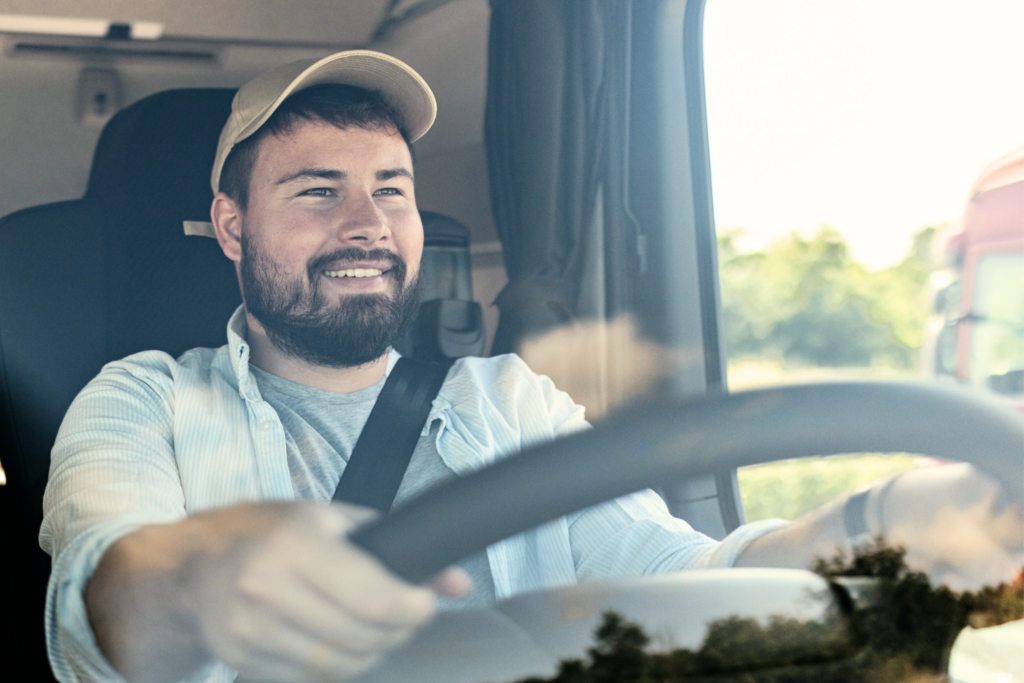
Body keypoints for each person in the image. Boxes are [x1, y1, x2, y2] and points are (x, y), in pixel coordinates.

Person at [40, 50, 1019, 683]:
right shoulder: (145, 399)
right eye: (316, 190)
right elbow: (104, 595)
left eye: (392, 189)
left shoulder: (508, 399)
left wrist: (876, 524)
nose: (368, 223)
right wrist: (215, 574)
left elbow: (677, 571)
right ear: (228, 225)